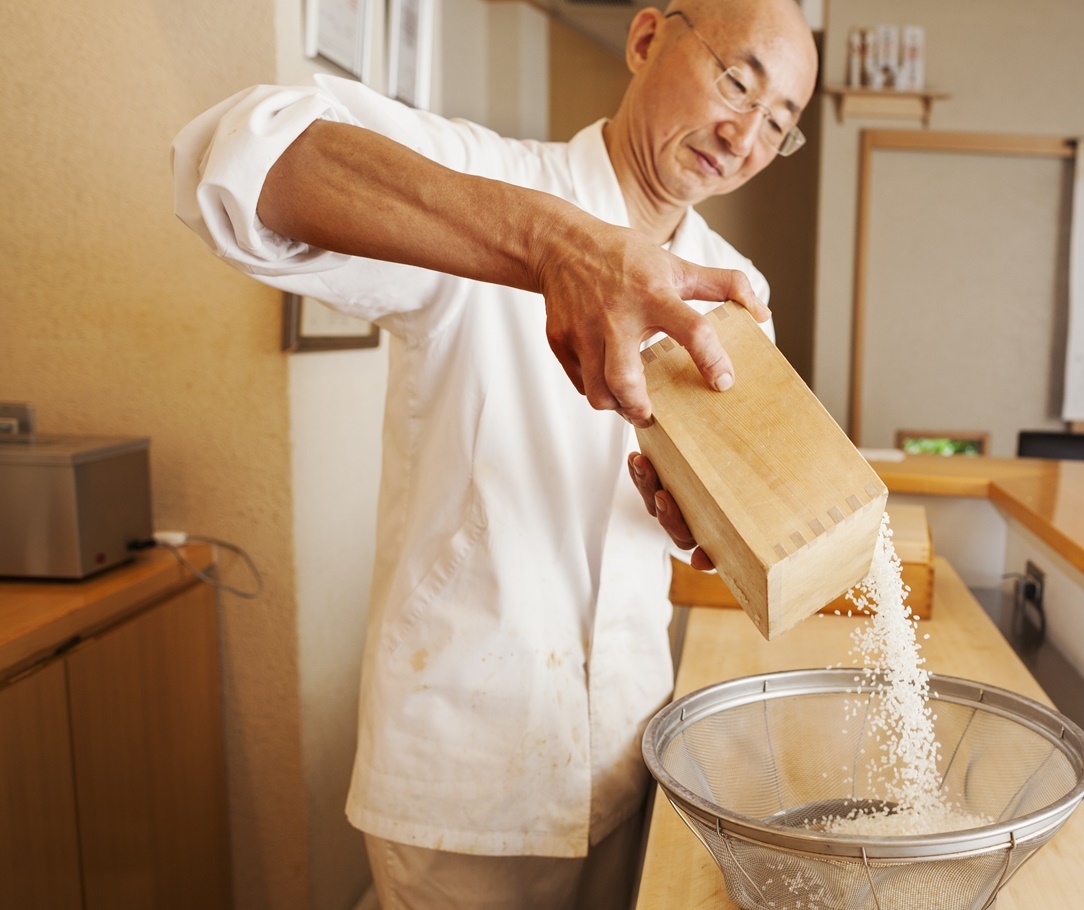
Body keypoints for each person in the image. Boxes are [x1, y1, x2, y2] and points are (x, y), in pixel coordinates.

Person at [171, 1, 817, 907]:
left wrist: (698, 521)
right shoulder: (491, 181)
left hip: (625, 761)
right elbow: (239, 159)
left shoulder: (731, 295)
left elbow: (694, 535)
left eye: (778, 122)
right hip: (460, 773)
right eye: (737, 80)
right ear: (645, 40)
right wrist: (554, 245)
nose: (742, 132)